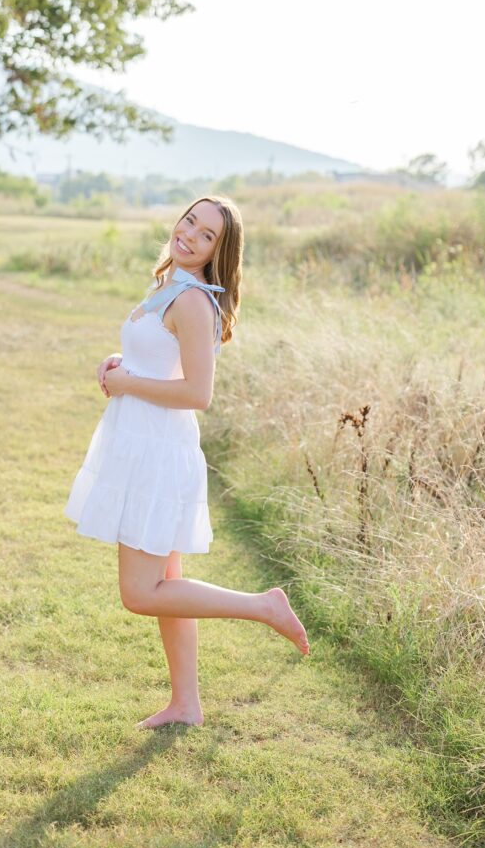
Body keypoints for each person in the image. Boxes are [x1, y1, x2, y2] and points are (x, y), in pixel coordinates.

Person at [64, 196, 309, 729]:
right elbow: (160, 359)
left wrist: (128, 383)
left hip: (158, 455)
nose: (191, 235)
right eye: (191, 221)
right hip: (142, 443)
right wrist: (121, 364)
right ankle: (186, 704)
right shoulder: (169, 283)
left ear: (220, 252)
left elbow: (198, 392)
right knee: (167, 581)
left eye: (207, 236)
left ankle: (265, 606)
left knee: (140, 593)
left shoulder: (195, 300)